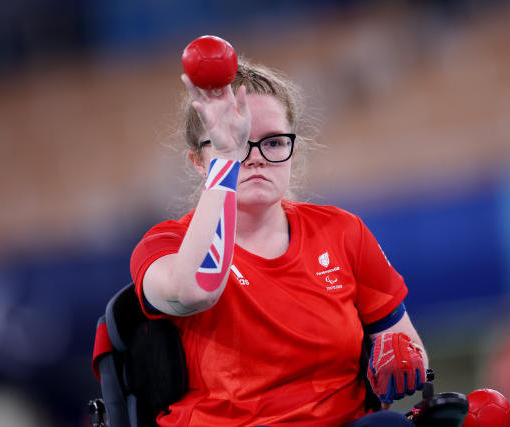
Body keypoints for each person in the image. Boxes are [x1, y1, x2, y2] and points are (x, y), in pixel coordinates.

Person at [129, 58, 429, 427]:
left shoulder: (343, 231)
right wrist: (226, 159)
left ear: (293, 150)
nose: (254, 158)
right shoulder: (164, 243)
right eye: (238, 144)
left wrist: (402, 353)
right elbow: (194, 292)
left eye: (272, 142)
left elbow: (400, 337)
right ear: (198, 161)